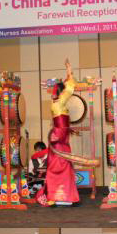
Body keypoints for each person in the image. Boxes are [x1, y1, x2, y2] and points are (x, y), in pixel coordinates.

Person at [37, 59, 79, 206]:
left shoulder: (58, 104)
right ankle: (61, 197)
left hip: (60, 141)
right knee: (61, 168)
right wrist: (69, 70)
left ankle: (60, 197)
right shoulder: (59, 103)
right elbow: (70, 88)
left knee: (60, 168)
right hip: (60, 141)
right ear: (62, 93)